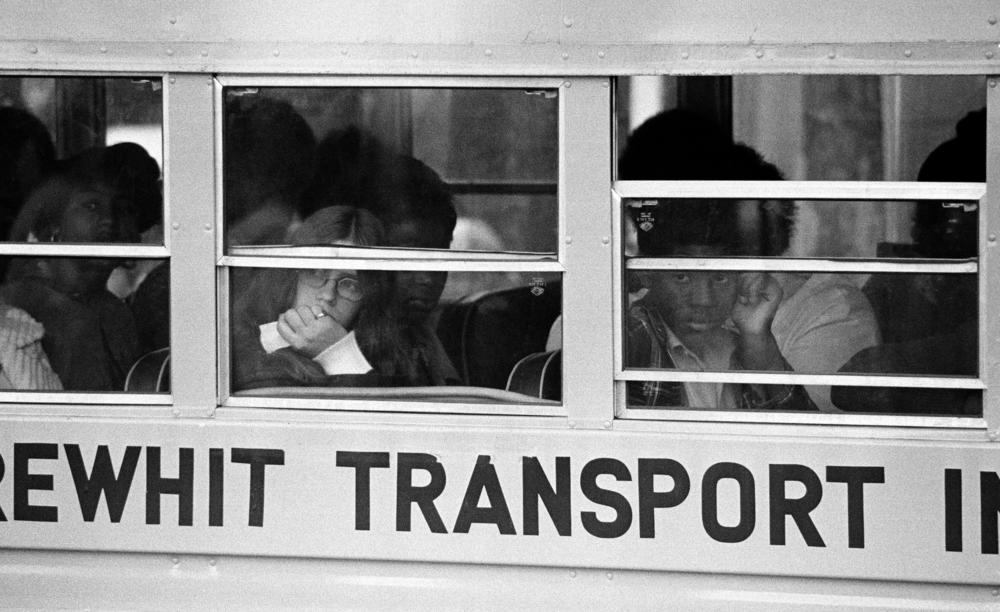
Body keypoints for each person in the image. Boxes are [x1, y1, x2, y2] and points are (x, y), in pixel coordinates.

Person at [620, 109, 878, 411]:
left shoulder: (830, 308)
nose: (703, 298)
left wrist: (759, 345)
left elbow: (806, 443)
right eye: (682, 271)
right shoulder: (629, 328)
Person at [832, 109, 984, 415]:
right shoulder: (899, 282)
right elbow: (851, 388)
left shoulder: (902, 279)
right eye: (940, 211)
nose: (946, 224)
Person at [626, 196, 815, 411]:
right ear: (646, 271)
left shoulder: (740, 349)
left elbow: (807, 437)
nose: (703, 300)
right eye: (681, 277)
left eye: (720, 277)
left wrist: (759, 341)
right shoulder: (633, 338)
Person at [304, 128, 460, 386]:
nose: (427, 279)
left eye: (438, 257)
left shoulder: (419, 337)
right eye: (406, 258)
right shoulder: (326, 335)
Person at [1, 146, 142, 390]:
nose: (110, 219)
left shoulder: (115, 313)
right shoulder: (25, 306)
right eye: (92, 206)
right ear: (54, 224)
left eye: (120, 208)